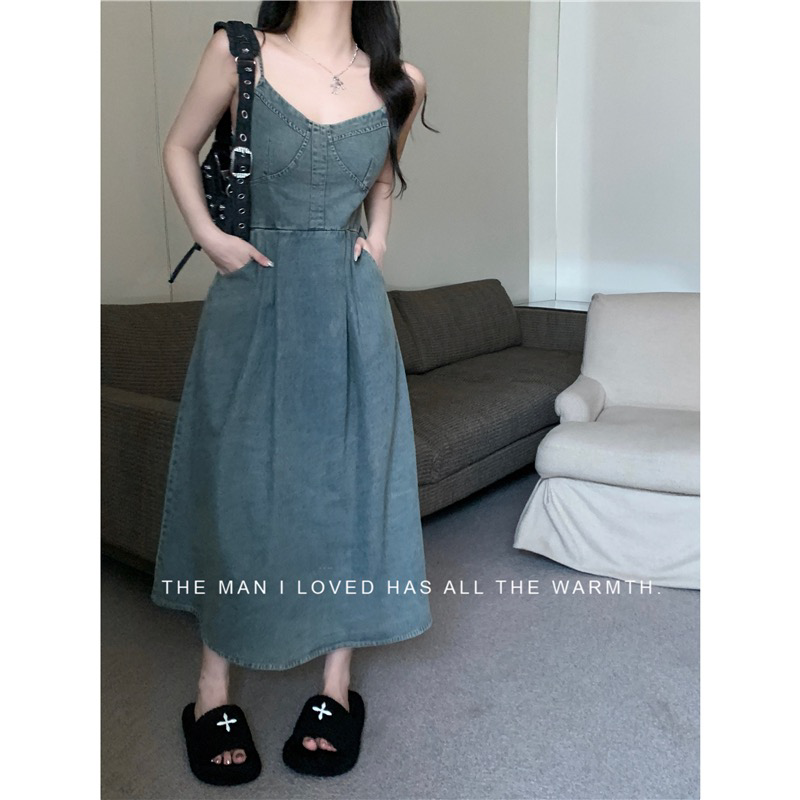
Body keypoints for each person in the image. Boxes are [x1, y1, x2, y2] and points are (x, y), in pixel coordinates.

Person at [150, 0, 435, 785]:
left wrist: (378, 240)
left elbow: (383, 178)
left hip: (349, 310)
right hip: (254, 298)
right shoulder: (239, 52)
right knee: (237, 487)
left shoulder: (401, 82)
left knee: (349, 487)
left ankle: (335, 687)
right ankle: (211, 692)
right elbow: (178, 146)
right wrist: (209, 236)